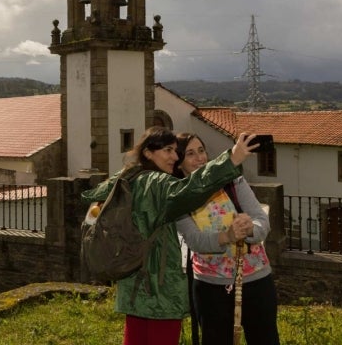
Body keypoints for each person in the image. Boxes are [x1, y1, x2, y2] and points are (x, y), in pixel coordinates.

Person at [81, 126, 259, 345]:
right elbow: (189, 191)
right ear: (148, 152)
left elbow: (90, 196)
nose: (175, 157)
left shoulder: (126, 176)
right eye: (168, 150)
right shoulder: (155, 182)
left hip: (132, 281)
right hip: (158, 286)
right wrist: (231, 160)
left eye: (176, 151)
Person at [174, 132, 281, 345]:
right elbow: (194, 240)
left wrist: (250, 229)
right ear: (179, 163)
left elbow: (262, 222)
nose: (200, 158)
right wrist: (227, 236)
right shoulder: (178, 195)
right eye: (190, 154)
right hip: (210, 286)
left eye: (201, 151)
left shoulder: (232, 180)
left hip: (256, 278)